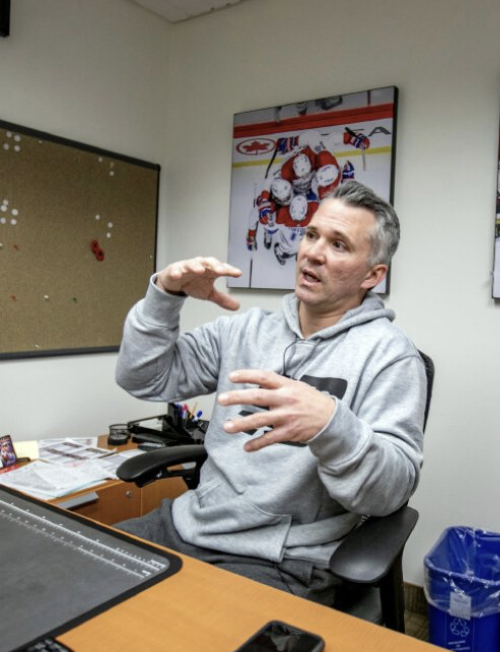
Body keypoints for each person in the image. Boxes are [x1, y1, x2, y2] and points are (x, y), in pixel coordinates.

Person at [114, 180, 427, 606]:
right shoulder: (244, 330)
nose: (312, 252)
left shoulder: (390, 356)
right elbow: (143, 378)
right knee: (73, 585)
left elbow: (389, 492)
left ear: (372, 275)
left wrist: (332, 427)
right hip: (186, 526)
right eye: (312, 235)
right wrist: (164, 297)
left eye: (338, 244)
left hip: (280, 561)